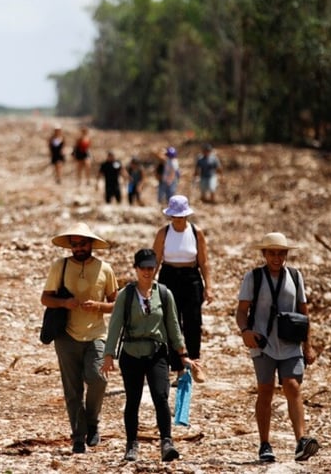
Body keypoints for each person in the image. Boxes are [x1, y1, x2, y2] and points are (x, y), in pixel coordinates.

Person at [103, 248, 197, 463]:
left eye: (151, 268)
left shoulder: (164, 293)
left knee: (161, 397)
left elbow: (173, 325)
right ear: (136, 269)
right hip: (131, 353)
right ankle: (131, 444)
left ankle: (166, 442)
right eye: (143, 268)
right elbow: (115, 326)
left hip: (157, 354)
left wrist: (183, 354)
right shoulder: (126, 295)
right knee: (133, 400)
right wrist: (109, 355)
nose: (147, 272)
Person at [235, 232, 319, 463]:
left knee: (292, 386)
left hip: (290, 343)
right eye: (272, 252)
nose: (276, 257)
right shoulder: (253, 277)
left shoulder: (295, 276)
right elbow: (242, 312)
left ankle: (301, 441)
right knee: (266, 389)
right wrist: (246, 332)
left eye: (281, 253)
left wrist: (308, 346)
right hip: (263, 343)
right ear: (264, 254)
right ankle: (264, 443)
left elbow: (304, 313)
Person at [40, 222, 118, 454]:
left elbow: (116, 304)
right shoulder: (60, 267)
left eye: (83, 243)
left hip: (96, 334)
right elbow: (45, 298)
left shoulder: (105, 269)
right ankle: (78, 436)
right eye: (74, 245)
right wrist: (65, 303)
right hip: (66, 336)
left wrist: (98, 306)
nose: (79, 248)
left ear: (91, 244)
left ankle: (92, 423)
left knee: (98, 379)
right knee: (72, 389)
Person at [153, 195, 211, 381]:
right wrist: (148, 284)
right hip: (169, 277)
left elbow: (204, 261)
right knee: (172, 323)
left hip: (191, 278)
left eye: (181, 216)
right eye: (175, 216)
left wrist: (208, 286)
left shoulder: (196, 232)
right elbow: (155, 260)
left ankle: (195, 364)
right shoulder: (163, 233)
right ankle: (178, 368)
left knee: (193, 322)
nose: (178, 219)